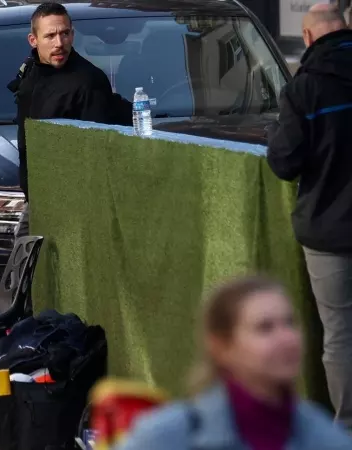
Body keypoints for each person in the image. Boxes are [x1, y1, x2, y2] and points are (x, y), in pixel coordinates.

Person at [116, 275, 352, 450]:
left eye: (290, 323)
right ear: (221, 346)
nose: (287, 338)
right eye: (265, 328)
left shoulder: (327, 438)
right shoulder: (166, 436)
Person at [266, 2, 352, 428]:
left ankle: (348, 425)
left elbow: (284, 162)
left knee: (340, 333)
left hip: (330, 231)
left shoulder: (306, 88)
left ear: (309, 38)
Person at [8, 2, 132, 238]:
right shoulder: (31, 72)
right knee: (22, 271)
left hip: (72, 209)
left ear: (72, 35)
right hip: (36, 200)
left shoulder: (88, 81)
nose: (59, 43)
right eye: (50, 35)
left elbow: (96, 155)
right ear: (33, 41)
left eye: (65, 34)